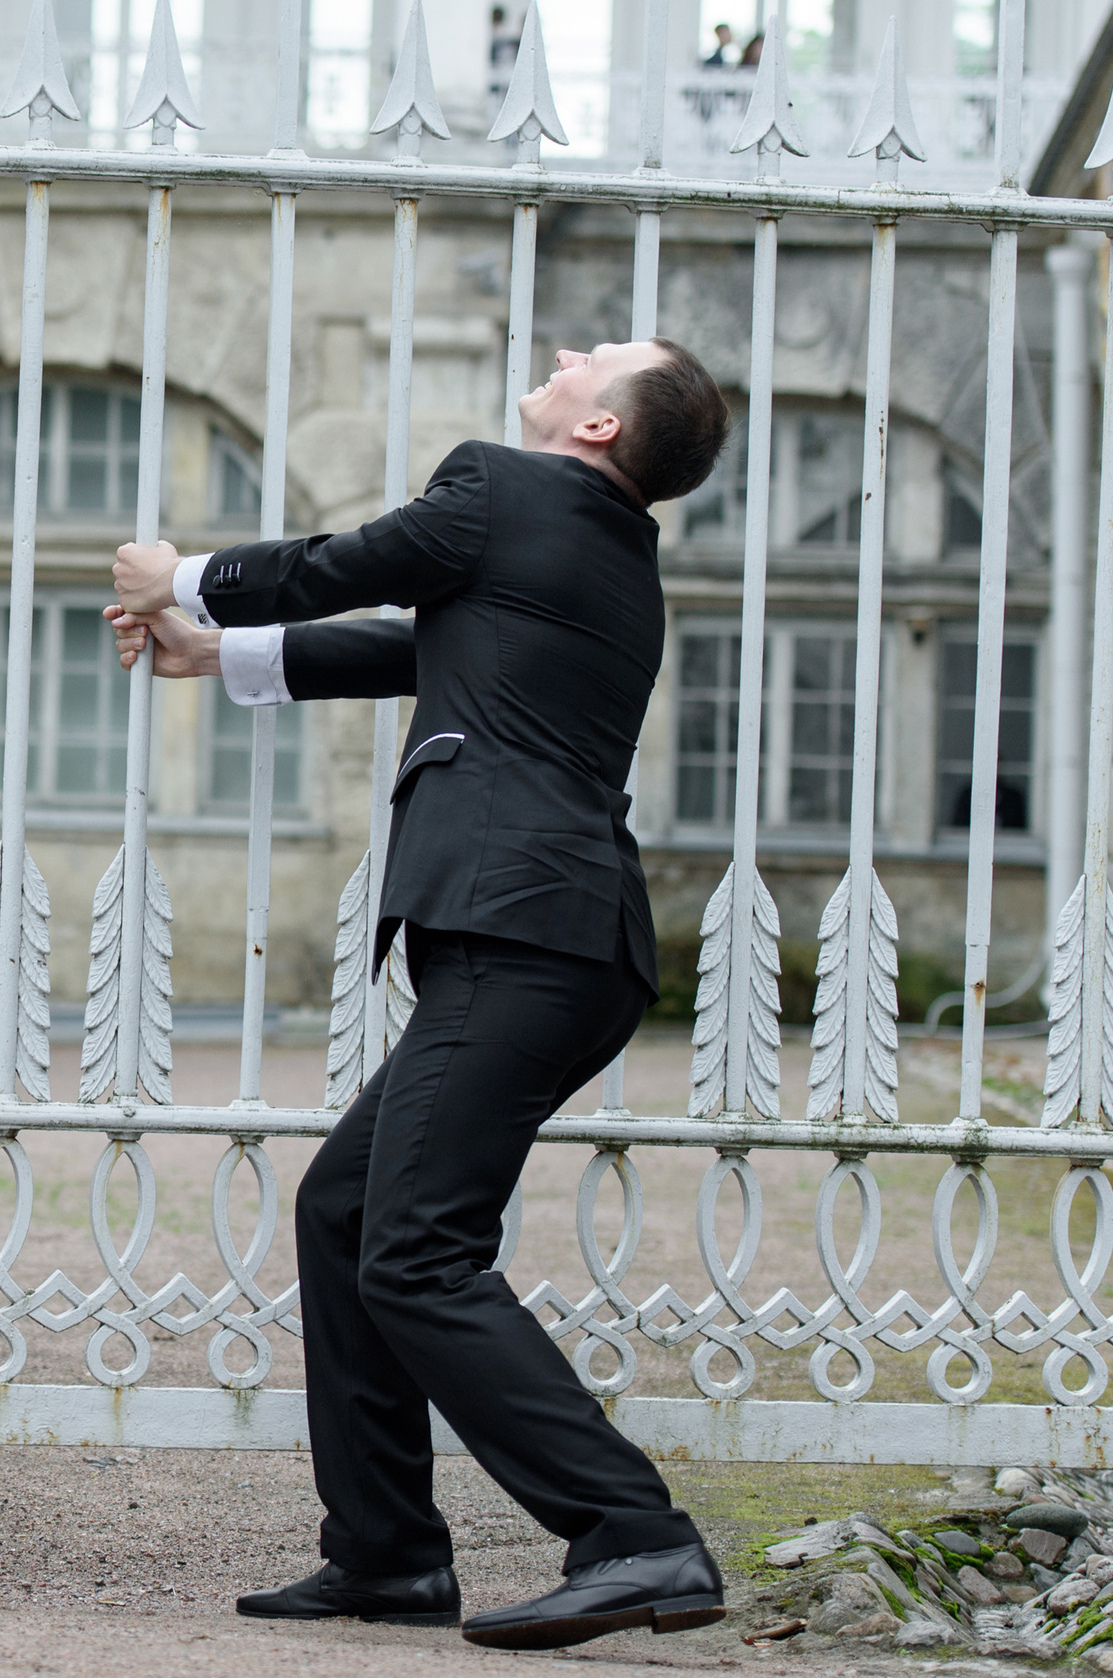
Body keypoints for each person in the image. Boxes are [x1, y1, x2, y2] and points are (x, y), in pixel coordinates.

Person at [108, 340, 733, 1653]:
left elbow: (361, 560)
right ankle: (388, 1552)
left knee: (416, 1248)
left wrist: (179, 573)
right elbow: (425, 644)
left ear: (601, 423)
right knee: (346, 1208)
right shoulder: (599, 545)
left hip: (524, 932)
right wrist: (217, 654)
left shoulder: (505, 486)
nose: (564, 356)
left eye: (593, 356)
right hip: (551, 938)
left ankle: (636, 1533)